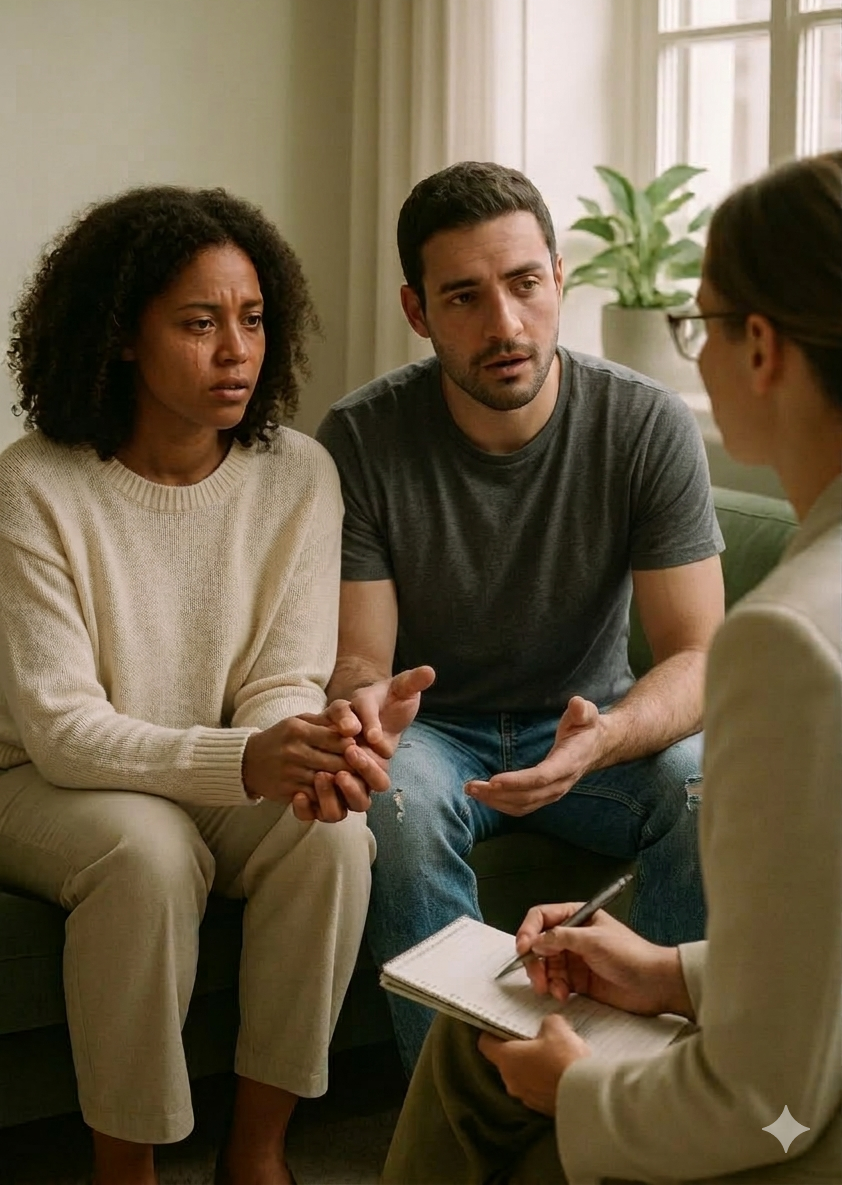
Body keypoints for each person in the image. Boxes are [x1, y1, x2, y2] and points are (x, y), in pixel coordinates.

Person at [382, 150, 842, 1184]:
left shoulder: (788, 642)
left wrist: (578, 1090)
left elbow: (771, 1107)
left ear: (758, 346)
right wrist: (673, 972)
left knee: (484, 1051)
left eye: (700, 323)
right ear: (419, 310)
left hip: (790, 1135)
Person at [0, 185, 401, 1185]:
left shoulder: (298, 473)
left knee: (333, 832)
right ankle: (122, 1164)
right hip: (43, 780)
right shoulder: (32, 485)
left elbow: (276, 673)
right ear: (124, 336)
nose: (237, 349)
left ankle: (255, 1153)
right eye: (199, 322)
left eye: (254, 319)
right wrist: (243, 757)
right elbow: (58, 726)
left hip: (206, 765)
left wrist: (308, 744)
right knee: (147, 851)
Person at [316, 160, 725, 1070]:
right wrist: (363, 707)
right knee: (396, 804)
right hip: (437, 733)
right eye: (462, 297)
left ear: (558, 279)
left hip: (587, 724)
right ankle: (463, 1123)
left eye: (524, 284)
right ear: (417, 312)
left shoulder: (645, 423)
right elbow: (360, 660)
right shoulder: (361, 437)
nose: (504, 324)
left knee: (703, 777)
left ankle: (644, 1090)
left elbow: (699, 656)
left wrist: (606, 736)